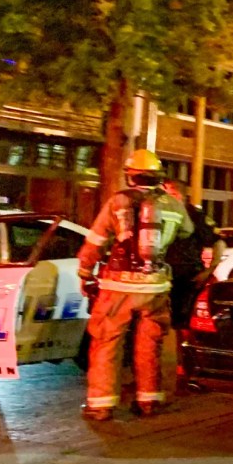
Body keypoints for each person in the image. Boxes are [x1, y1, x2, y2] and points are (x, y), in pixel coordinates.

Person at [76, 150, 193, 421]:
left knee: (107, 340)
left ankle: (101, 405)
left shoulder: (118, 201)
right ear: (158, 176)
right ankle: (148, 401)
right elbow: (186, 232)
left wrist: (84, 272)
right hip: (156, 286)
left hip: (119, 285)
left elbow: (96, 240)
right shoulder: (173, 204)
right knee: (150, 342)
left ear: (130, 175)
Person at [161, 179, 224, 331]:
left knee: (183, 323)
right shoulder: (158, 212)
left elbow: (218, 243)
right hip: (162, 275)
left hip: (186, 276)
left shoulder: (195, 216)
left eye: (167, 195)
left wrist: (208, 271)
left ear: (177, 195)